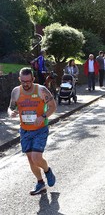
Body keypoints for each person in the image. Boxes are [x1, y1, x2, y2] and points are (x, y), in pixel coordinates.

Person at [8, 67, 57, 195]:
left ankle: (47, 170)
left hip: (40, 129)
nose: (26, 84)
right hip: (25, 130)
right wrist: (11, 112)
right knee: (31, 159)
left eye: (28, 81)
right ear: (20, 79)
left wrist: (43, 116)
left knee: (36, 157)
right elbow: (11, 107)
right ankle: (40, 183)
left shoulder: (41, 90)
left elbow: (53, 106)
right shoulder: (16, 92)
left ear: (33, 79)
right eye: (23, 81)